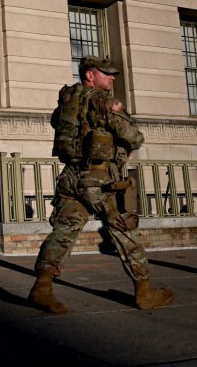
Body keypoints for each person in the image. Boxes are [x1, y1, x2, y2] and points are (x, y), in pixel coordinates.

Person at [28, 56, 175, 314]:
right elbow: (134, 137)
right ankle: (145, 293)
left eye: (113, 74)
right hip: (100, 180)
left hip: (72, 177)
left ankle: (42, 288)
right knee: (124, 230)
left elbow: (57, 124)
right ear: (89, 75)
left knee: (63, 232)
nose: (112, 77)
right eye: (106, 73)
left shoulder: (66, 101)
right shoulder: (103, 100)